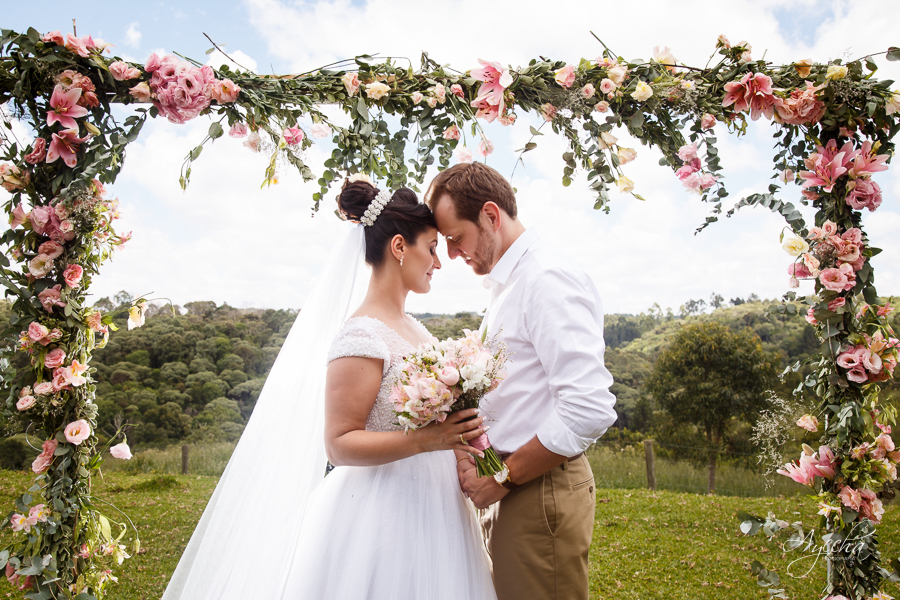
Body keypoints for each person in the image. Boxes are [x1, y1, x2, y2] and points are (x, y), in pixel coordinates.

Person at [162, 178, 497, 600]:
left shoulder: (417, 329)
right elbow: (338, 444)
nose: (438, 261)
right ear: (398, 247)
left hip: (439, 507)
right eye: (431, 248)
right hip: (385, 514)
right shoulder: (361, 335)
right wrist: (430, 439)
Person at [426, 162, 618, 600]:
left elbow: (588, 408)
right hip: (514, 482)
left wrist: (503, 478)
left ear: (491, 215)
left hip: (538, 487)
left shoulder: (545, 278)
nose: (452, 254)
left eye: (456, 238)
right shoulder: (509, 284)